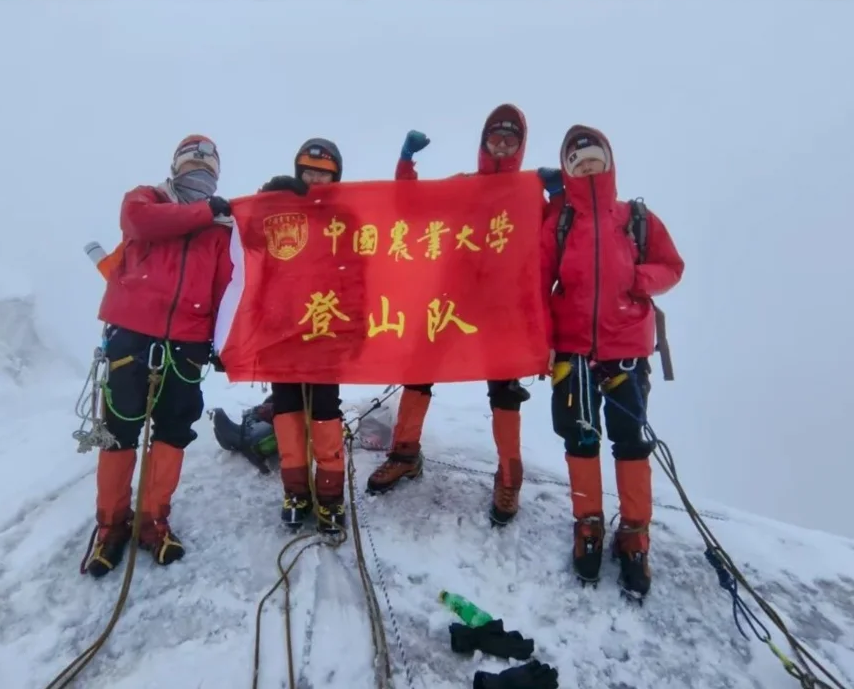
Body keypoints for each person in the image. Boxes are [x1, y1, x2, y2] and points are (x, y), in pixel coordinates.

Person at [368, 106, 532, 525]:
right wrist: (405, 162)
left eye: (510, 140)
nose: (501, 145)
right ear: (483, 142)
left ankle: (508, 478)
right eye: (495, 137)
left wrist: (559, 193)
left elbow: (555, 242)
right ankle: (405, 454)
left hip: (500, 307)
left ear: (520, 146)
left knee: (505, 391)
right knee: (419, 370)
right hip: (451, 299)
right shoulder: (465, 187)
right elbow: (412, 206)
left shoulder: (528, 195)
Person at [540, 127, 684, 599]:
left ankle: (635, 537)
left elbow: (672, 266)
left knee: (631, 442)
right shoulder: (560, 222)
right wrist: (542, 341)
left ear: (609, 162)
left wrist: (639, 278)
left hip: (626, 348)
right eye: (577, 161)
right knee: (581, 440)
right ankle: (589, 525)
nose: (587, 166)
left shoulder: (636, 218)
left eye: (593, 158)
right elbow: (538, 283)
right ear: (568, 169)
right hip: (573, 349)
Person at [81, 135, 232, 577]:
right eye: (193, 162)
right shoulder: (147, 199)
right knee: (119, 431)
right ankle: (110, 527)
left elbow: (224, 287)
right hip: (132, 337)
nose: (200, 170)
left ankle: (152, 522)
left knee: (172, 431)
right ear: (177, 166)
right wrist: (207, 212)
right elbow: (140, 222)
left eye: (208, 165)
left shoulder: (220, 231)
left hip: (187, 343)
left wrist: (223, 343)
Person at [260, 138, 347, 533]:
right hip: (284, 334)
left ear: (336, 178)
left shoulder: (348, 221)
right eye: (308, 173)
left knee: (326, 415)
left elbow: (362, 277)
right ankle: (295, 490)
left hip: (327, 332)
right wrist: (267, 198)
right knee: (287, 413)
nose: (314, 180)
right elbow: (248, 244)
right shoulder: (279, 215)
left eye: (323, 174)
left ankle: (329, 497)